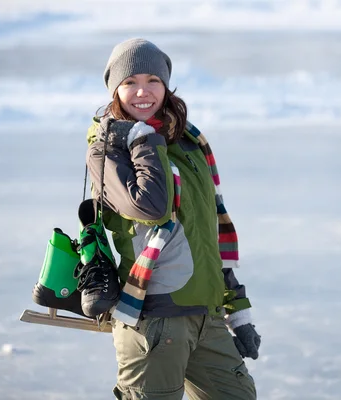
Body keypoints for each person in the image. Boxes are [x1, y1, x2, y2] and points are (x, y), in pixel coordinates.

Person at [82, 38, 261, 399]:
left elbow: (207, 232)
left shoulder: (189, 143)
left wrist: (235, 306)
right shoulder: (107, 150)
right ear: (115, 89)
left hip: (205, 314)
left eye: (153, 81)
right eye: (130, 82)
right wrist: (140, 138)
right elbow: (151, 207)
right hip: (153, 317)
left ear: (166, 86)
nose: (142, 92)